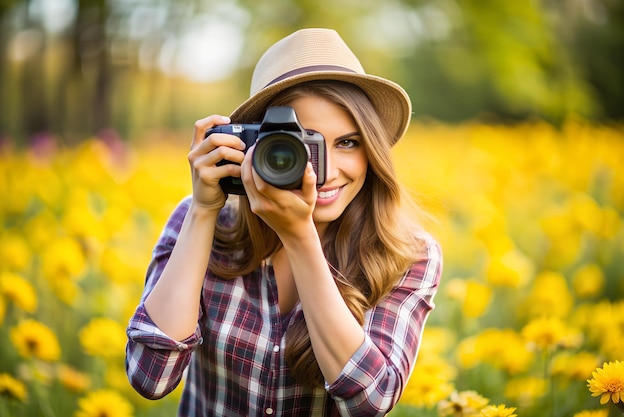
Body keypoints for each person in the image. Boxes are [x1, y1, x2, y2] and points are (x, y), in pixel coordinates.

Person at [125, 28, 442, 417]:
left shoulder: (407, 253)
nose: (324, 174)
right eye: (303, 144)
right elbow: (150, 377)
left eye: (347, 142)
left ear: (372, 150)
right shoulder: (201, 221)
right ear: (252, 146)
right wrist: (203, 212)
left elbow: (369, 402)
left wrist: (300, 237)